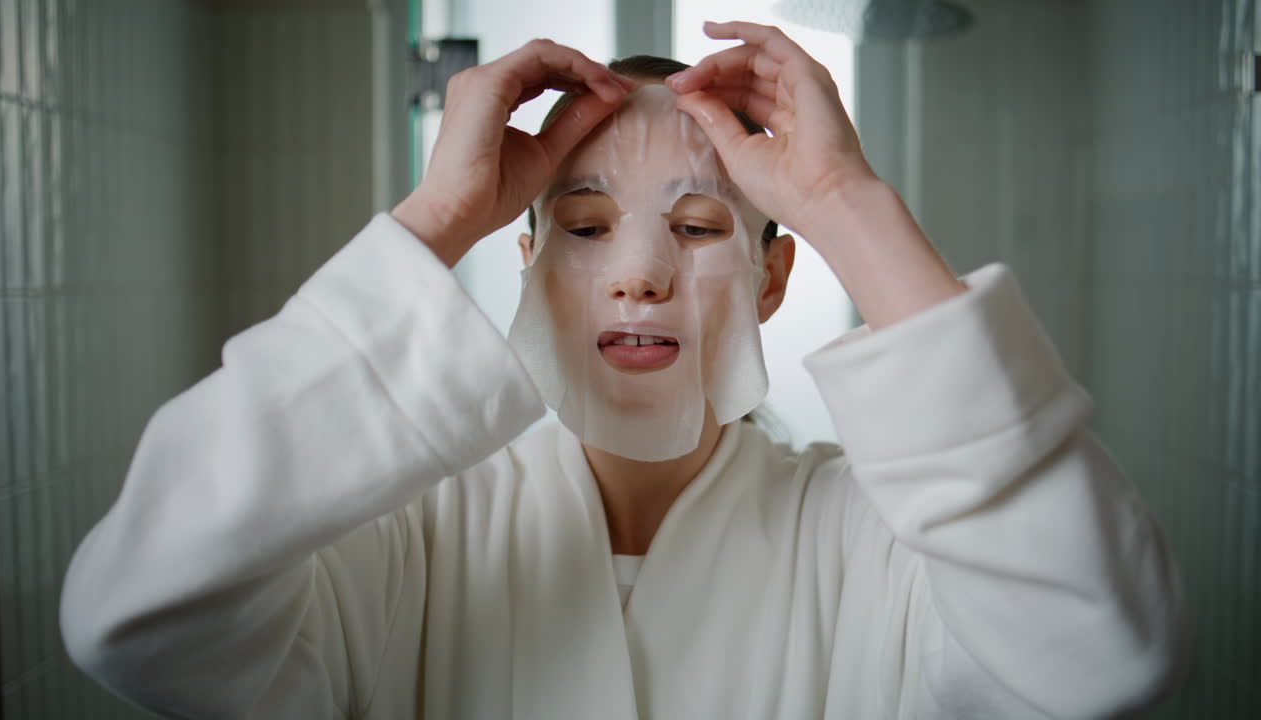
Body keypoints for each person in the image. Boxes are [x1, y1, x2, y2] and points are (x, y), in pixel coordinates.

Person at [60, 20, 1187, 719]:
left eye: (697, 230)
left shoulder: (877, 542)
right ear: (528, 261)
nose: (637, 276)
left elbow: (1103, 653)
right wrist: (438, 214)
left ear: (772, 279)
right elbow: (135, 613)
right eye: (585, 227)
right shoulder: (402, 542)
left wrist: (849, 206)